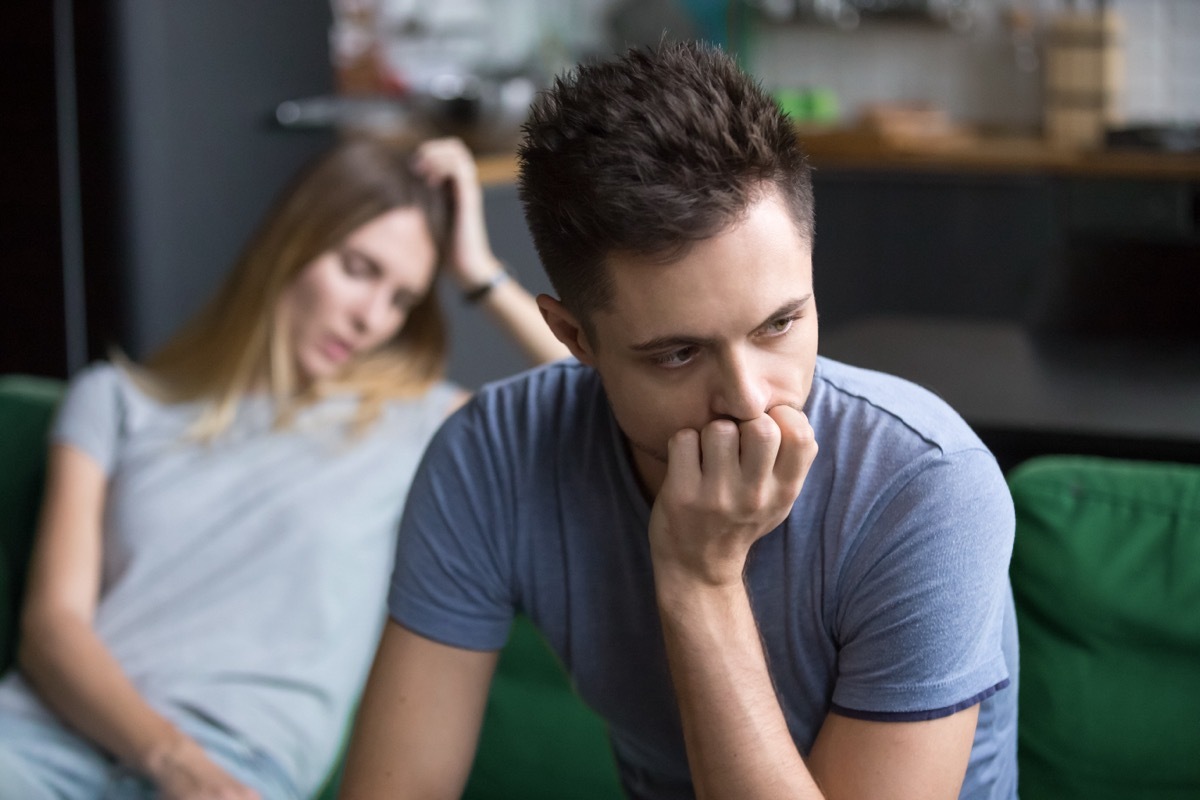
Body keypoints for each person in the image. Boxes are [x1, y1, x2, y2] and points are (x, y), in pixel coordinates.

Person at [340, 40, 1019, 800]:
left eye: (779, 324)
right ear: (574, 338)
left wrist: (700, 580)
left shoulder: (924, 487)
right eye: (677, 355)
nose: (750, 398)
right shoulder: (492, 454)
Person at [0, 136, 567, 800]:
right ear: (294, 242)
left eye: (401, 299)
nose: (371, 318)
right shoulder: (116, 402)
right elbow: (52, 629)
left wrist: (478, 270)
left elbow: (601, 406)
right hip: (44, 745)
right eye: (359, 268)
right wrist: (174, 763)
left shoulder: (419, 426)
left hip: (241, 771)